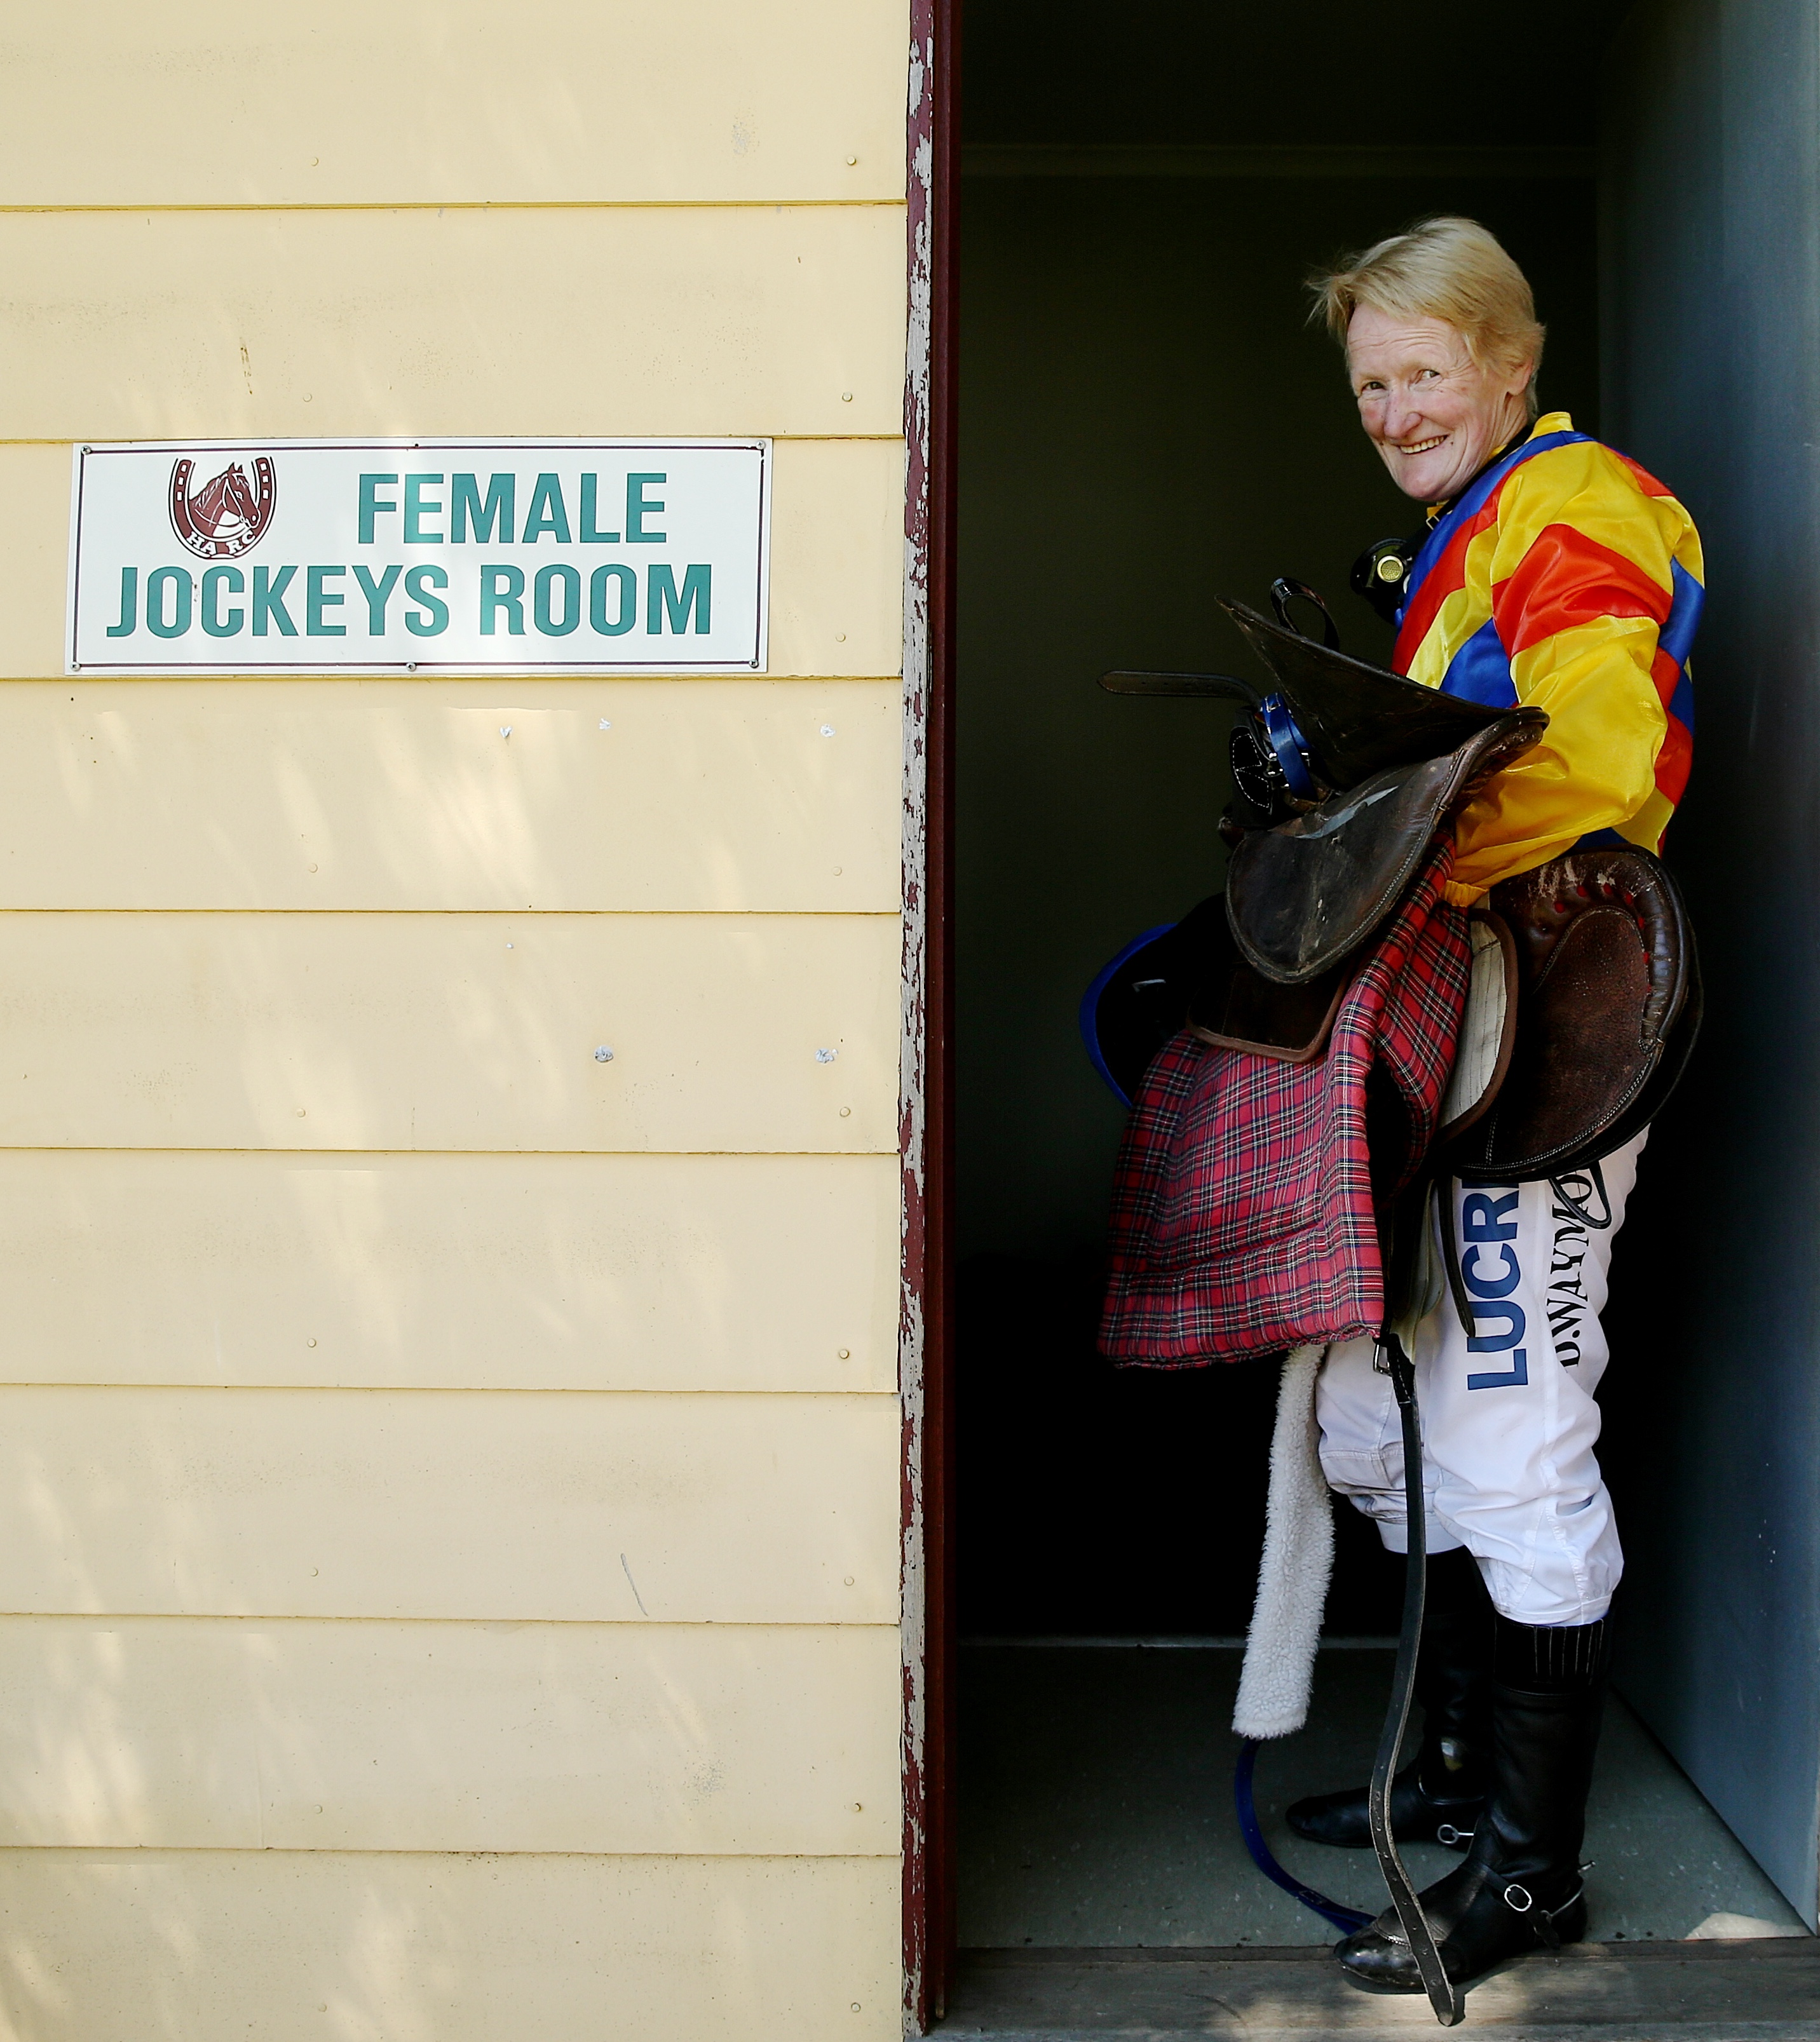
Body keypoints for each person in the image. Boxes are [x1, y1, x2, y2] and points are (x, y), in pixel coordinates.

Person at [1285, 217, 1704, 1996]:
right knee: (1388, 1426)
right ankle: (1457, 1766)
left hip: (1551, 1023)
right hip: (1457, 1015)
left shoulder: (1578, 504)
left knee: (1515, 1433)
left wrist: (1380, 851)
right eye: (1372, 382)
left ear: (1510, 365)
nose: (1395, 409)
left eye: (1424, 372)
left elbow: (1595, 758)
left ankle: (1533, 1885)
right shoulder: (1462, 538)